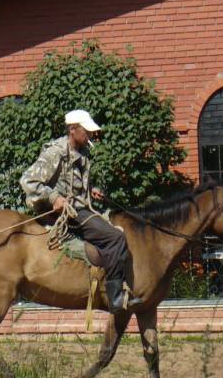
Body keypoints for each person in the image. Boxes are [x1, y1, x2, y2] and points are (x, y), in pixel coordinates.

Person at [19, 109, 142, 313]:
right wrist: (53, 198)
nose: (91, 135)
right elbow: (27, 180)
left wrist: (90, 190)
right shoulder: (55, 152)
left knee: (119, 226)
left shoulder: (83, 152)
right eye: (87, 130)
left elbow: (73, 185)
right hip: (65, 214)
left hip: (80, 208)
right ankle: (116, 297)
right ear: (72, 129)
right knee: (115, 238)